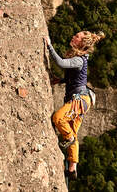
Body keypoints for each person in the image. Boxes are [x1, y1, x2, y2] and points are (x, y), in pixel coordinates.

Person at [44, 30, 105, 180]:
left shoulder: (79, 60)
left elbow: (60, 63)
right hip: (82, 99)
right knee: (72, 131)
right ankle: (72, 168)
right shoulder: (79, 58)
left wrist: (49, 46)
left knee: (58, 119)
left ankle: (69, 139)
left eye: (77, 37)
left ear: (82, 43)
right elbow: (75, 78)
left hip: (79, 98)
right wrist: (60, 80)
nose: (73, 37)